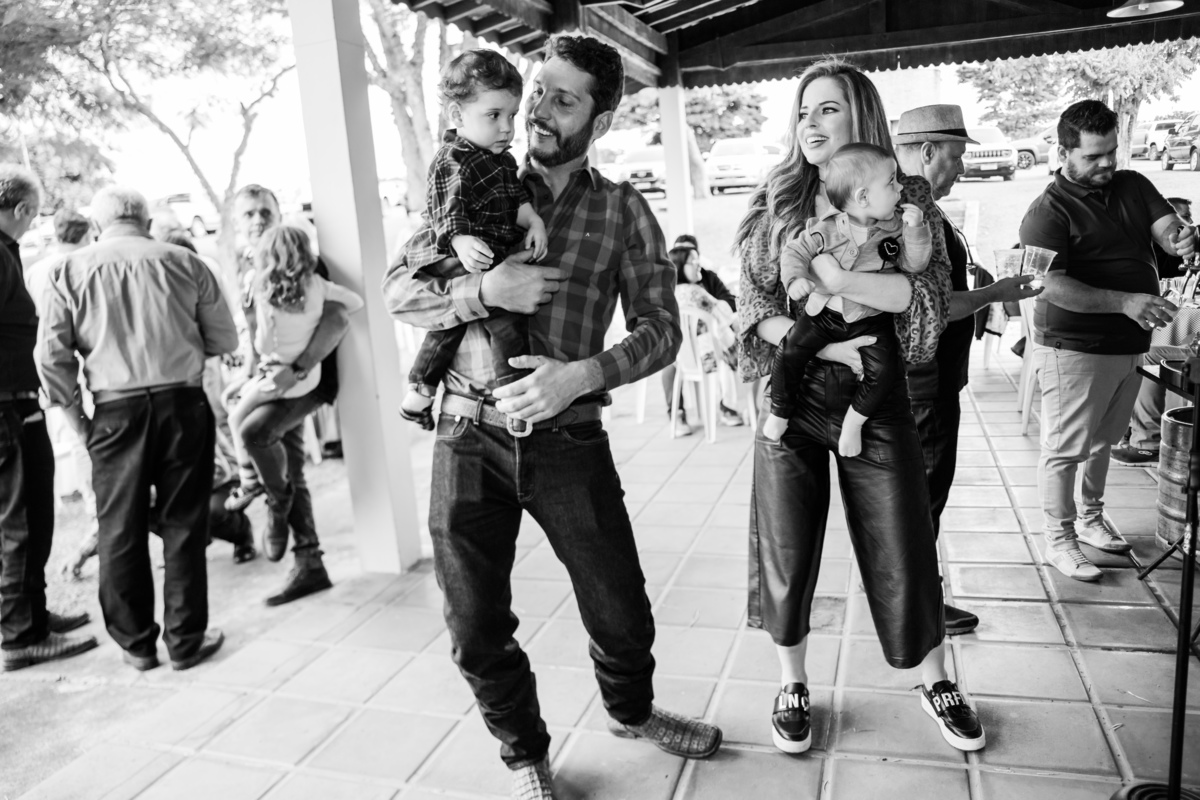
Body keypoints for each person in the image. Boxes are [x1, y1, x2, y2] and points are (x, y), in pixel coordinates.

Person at [383, 34, 722, 800]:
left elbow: (662, 328)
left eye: (563, 99)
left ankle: (632, 713)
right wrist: (482, 294)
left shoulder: (621, 208)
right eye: (539, 90)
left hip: (569, 436)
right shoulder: (468, 179)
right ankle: (525, 755)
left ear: (598, 119)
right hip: (465, 433)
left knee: (622, 610)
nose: (537, 109)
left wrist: (582, 376)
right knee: (473, 624)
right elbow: (397, 291)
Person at [736, 59, 985, 757]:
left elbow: (928, 306)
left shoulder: (907, 203)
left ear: (861, 119)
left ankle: (935, 677)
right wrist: (818, 348)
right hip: (795, 393)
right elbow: (752, 304)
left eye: (828, 110)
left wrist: (850, 288)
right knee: (785, 542)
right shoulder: (778, 202)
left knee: (903, 537)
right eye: (804, 111)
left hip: (877, 400)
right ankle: (791, 681)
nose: (811, 125)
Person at [36, 186, 238, 671]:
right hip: (182, 404)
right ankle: (186, 641)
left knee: (119, 527)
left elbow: (51, 358)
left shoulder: (69, 269)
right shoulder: (186, 262)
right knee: (184, 524)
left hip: (114, 411)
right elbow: (224, 338)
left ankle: (136, 645)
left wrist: (79, 421)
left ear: (100, 224)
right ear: (145, 220)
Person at [1019, 100, 1195, 581]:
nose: (1105, 165)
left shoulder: (1133, 185)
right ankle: (1060, 540)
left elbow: (1165, 229)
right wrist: (1125, 302)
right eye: (1094, 156)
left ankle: (1093, 521)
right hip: (1072, 346)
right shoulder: (1046, 212)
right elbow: (1048, 284)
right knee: (1065, 447)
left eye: (1111, 153)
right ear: (1064, 151)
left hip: (1128, 343)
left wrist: (1180, 238)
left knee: (1103, 441)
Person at [893, 104, 1041, 635]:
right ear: (928, 152)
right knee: (923, 497)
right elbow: (930, 304)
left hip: (929, 377)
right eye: (956, 157)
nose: (960, 168)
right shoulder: (912, 207)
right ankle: (915, 607)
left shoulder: (917, 203)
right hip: (924, 381)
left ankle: (909, 598)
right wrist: (997, 291)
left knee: (919, 495)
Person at [397, 49, 548, 433]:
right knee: (505, 322)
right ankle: (513, 398)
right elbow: (446, 207)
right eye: (493, 116)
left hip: (482, 254)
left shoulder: (499, 159)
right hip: (450, 250)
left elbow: (514, 198)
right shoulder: (455, 158)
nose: (506, 128)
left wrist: (532, 220)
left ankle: (419, 392)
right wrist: (460, 239)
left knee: (455, 322)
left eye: (511, 116)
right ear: (457, 115)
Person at [225, 184, 352, 606]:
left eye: (265, 211)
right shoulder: (249, 267)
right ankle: (310, 562)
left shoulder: (306, 263)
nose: (257, 219)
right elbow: (261, 335)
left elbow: (336, 319)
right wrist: (248, 376)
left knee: (258, 434)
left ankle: (277, 509)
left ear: (278, 215)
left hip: (306, 381)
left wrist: (295, 371)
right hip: (273, 380)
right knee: (287, 466)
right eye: (248, 214)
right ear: (236, 223)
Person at [762, 143, 931, 453]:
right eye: (891, 182)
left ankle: (854, 423)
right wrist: (795, 279)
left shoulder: (894, 230)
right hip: (823, 314)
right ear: (863, 197)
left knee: (885, 372)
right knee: (789, 351)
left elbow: (913, 264)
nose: (900, 188)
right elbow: (794, 251)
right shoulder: (825, 228)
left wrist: (917, 230)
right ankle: (780, 409)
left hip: (870, 320)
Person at [0, 166, 96, 672]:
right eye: (33, 214)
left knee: (37, 515)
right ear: (21, 211)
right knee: (18, 523)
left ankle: (35, 616)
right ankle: (20, 637)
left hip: (20, 402)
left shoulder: (8, 251)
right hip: (4, 408)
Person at [224, 225, 362, 509]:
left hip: (279, 376)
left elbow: (263, 344)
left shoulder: (264, 292)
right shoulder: (317, 285)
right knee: (236, 400)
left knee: (236, 419)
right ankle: (271, 488)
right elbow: (355, 302)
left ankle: (249, 482)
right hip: (309, 376)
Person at [1112, 196, 1195, 466]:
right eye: (1178, 220)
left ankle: (1147, 442)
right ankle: (1144, 435)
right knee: (1147, 352)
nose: (1185, 227)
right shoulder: (1151, 251)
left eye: (1187, 220)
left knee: (1149, 355)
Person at [662, 236, 742, 435]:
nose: (698, 264)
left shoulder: (674, 292)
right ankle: (727, 406)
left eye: (698, 258)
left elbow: (726, 301)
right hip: (704, 354)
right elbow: (725, 316)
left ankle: (681, 415)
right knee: (733, 345)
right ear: (680, 264)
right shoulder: (695, 291)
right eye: (692, 260)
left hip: (687, 355)